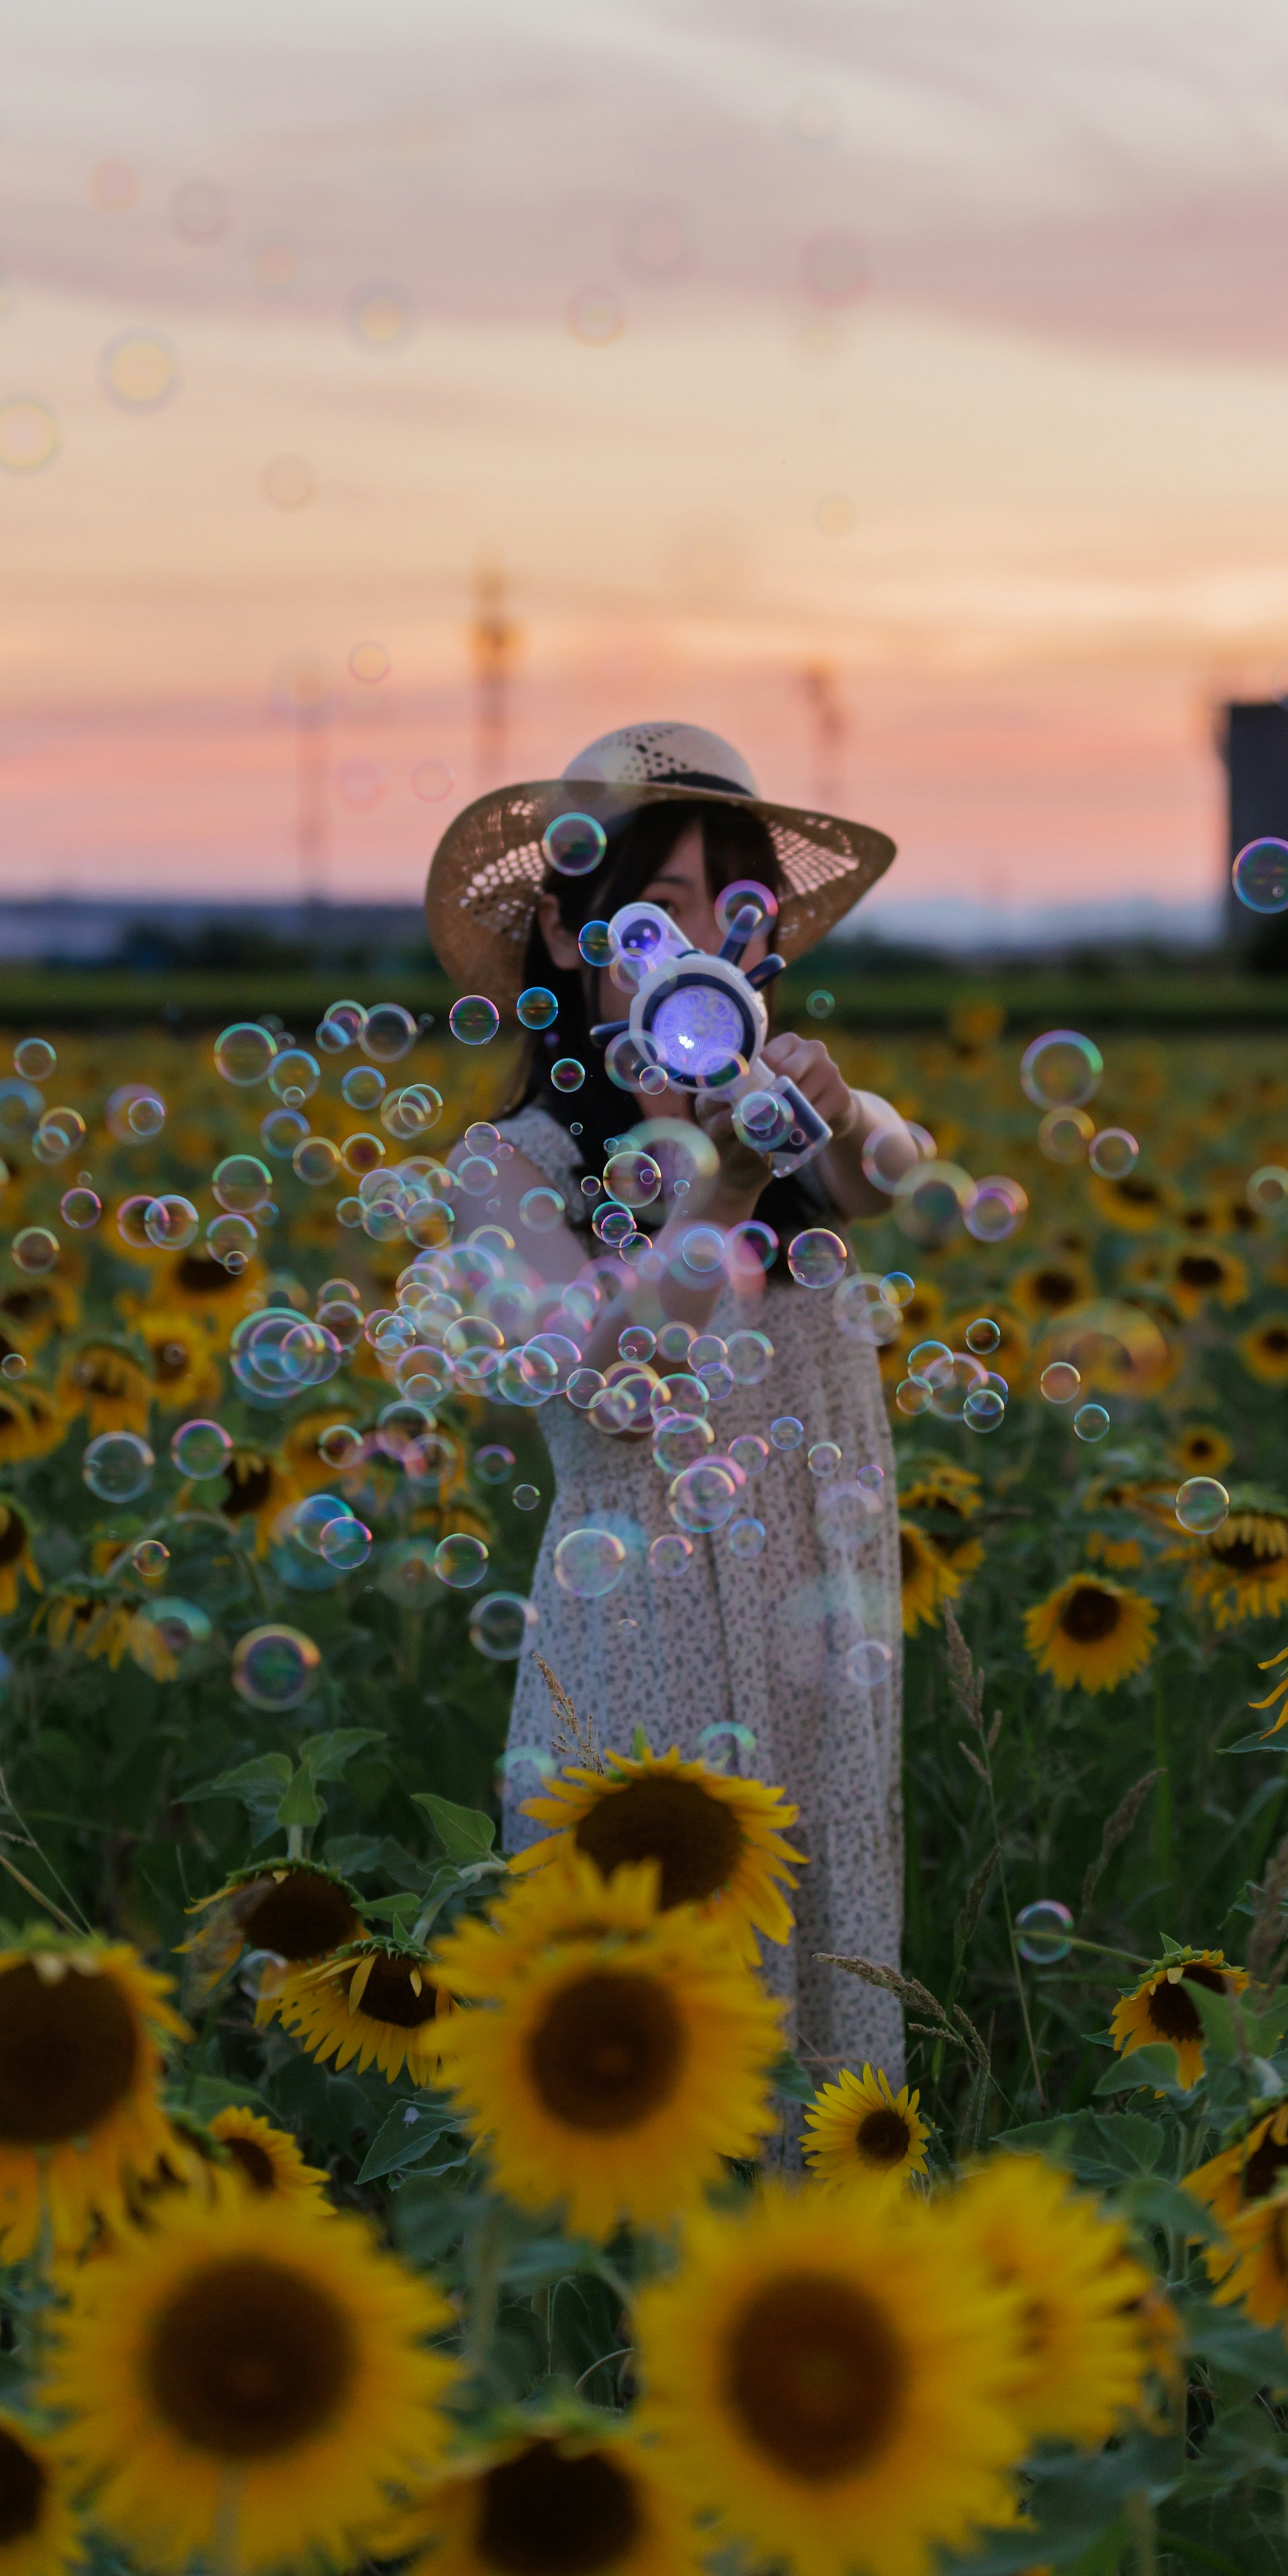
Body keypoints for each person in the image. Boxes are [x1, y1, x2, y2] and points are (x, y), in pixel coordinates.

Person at [424, 720, 913, 2076]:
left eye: (731, 907)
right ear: (573, 936)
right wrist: (722, 1183)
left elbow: (898, 1170)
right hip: (649, 1633)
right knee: (663, 2035)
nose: (698, 940)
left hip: (816, 1613)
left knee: (822, 2004)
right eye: (655, 908)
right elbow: (624, 1385)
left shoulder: (796, 1115)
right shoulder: (508, 1167)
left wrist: (824, 1107)